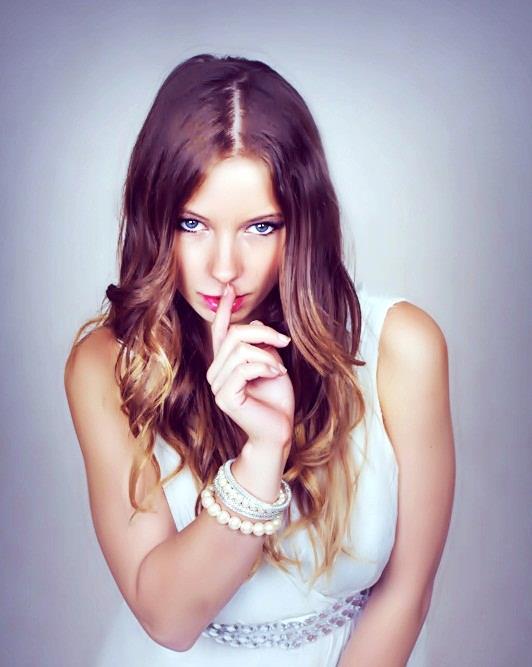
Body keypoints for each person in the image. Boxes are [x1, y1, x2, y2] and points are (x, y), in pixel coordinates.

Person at [63, 53, 455, 666]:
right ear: (154, 218)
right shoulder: (109, 366)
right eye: (192, 223)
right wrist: (261, 457)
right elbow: (168, 619)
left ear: (303, 223)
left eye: (261, 227)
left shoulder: (401, 347)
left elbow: (407, 591)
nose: (224, 268)